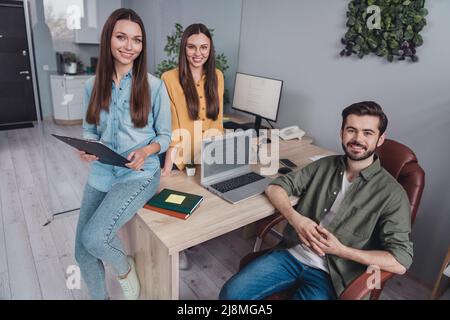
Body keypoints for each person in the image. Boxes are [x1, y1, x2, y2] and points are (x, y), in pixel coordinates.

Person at [220, 101, 413, 300]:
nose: (357, 139)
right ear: (341, 133)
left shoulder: (393, 194)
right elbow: (275, 187)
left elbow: (400, 261)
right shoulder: (324, 165)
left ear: (380, 139)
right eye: (351, 130)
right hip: (292, 254)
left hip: (332, 274)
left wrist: (342, 250)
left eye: (367, 133)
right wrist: (296, 219)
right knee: (231, 294)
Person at [74, 8, 171, 300]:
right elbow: (89, 130)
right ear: (108, 39)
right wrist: (86, 148)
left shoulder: (154, 86)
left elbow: (165, 137)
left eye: (137, 40)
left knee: (95, 238)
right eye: (121, 37)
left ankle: (125, 269)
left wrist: (146, 149)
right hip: (103, 171)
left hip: (138, 173)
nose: (129, 46)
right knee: (82, 253)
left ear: (142, 45)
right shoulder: (92, 86)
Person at [160, 23, 224, 176]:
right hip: (179, 159)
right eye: (191, 47)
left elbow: (217, 121)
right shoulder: (169, 79)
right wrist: (168, 167)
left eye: (203, 47)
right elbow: (173, 126)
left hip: (207, 158)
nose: (198, 53)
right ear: (184, 48)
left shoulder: (217, 76)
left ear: (210, 49)